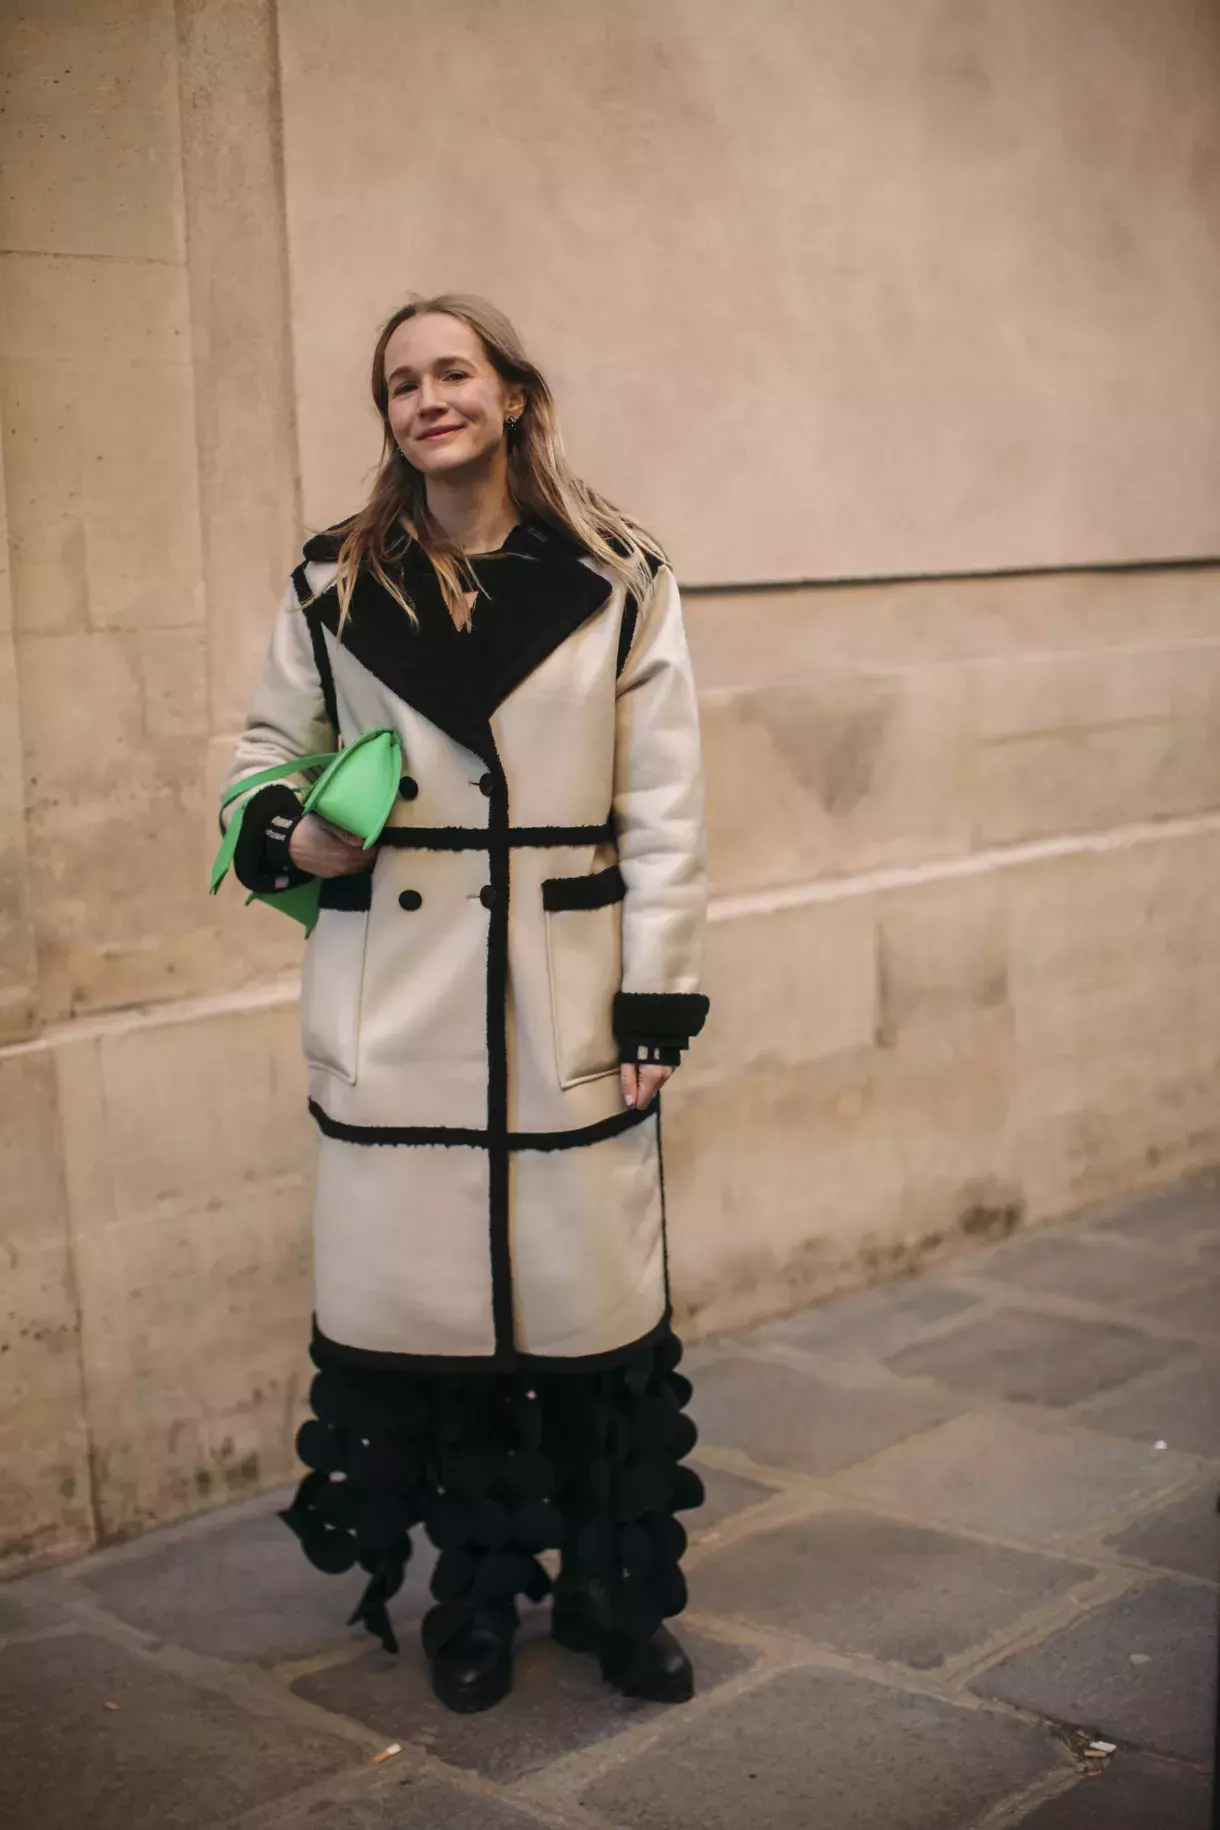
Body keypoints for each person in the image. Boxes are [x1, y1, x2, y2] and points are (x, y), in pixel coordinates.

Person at [221, 294, 710, 1715]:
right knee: (439, 1343)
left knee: (595, 1333)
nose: (428, 399)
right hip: (399, 1006)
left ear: (512, 394)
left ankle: (615, 1592)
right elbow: (263, 756)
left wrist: (655, 1000)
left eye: (453, 373)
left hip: (567, 1002)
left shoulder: (619, 573)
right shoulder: (332, 581)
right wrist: (292, 834)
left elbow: (667, 804)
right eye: (401, 384)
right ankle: (477, 1599)